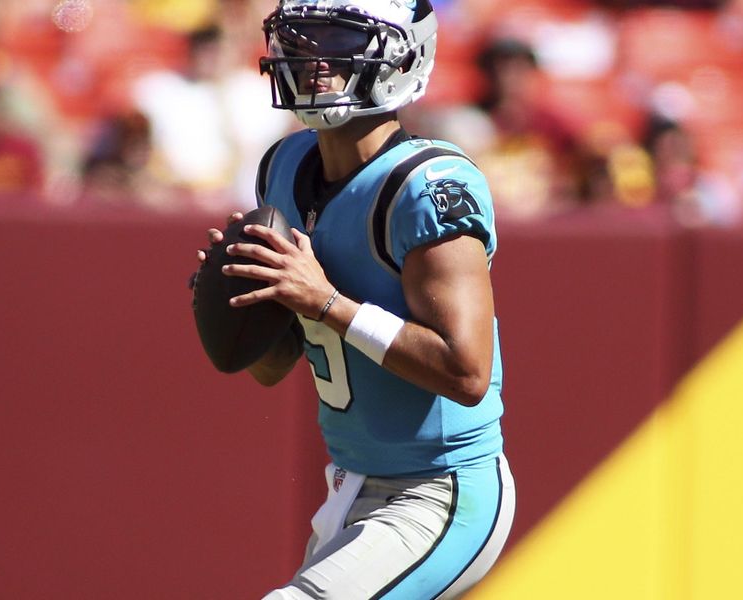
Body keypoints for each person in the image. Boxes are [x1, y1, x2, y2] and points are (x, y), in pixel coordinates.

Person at [194, 1, 515, 597]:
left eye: (337, 36)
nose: (312, 57)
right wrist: (248, 296)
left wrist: (326, 303)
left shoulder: (430, 186)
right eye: (301, 37)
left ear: (403, 53)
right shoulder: (283, 166)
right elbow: (271, 368)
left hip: (441, 491)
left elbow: (466, 372)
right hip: (350, 485)